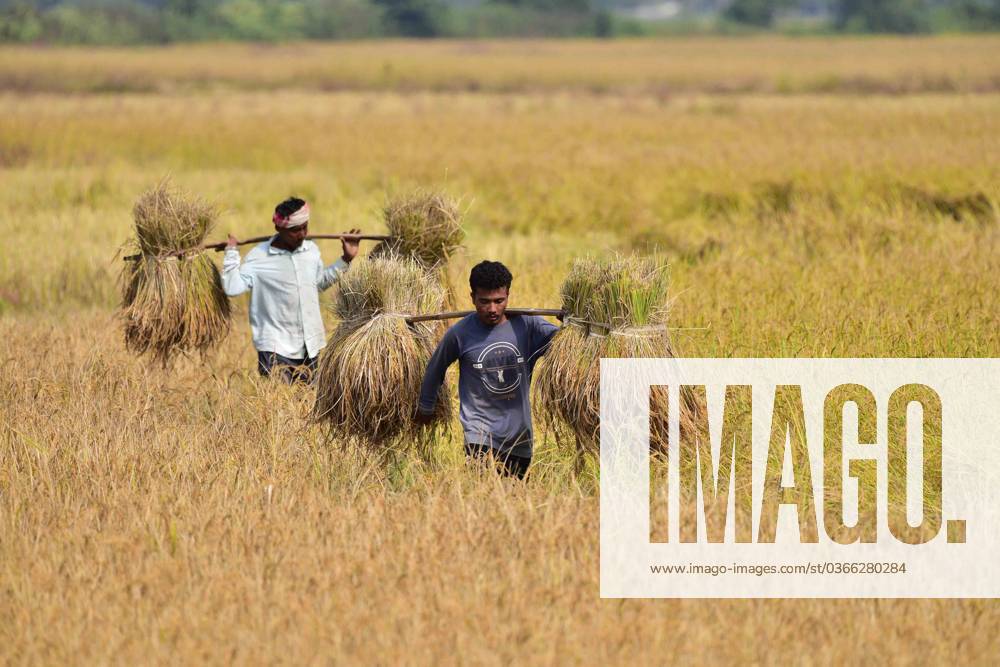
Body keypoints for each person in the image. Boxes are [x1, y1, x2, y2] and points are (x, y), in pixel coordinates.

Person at [415, 260, 560, 479]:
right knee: (483, 493)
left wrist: (570, 325)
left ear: (508, 295)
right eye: (484, 302)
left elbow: (564, 348)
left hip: (519, 435)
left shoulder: (529, 326)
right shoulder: (460, 333)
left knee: (513, 501)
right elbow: (436, 368)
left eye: (499, 301)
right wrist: (425, 407)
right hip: (478, 432)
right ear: (472, 297)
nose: (492, 309)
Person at [222, 197, 360, 382]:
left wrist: (346, 259)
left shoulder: (311, 251)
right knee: (277, 407)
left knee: (307, 405)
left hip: (310, 346)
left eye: (305, 227)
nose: (302, 234)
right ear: (279, 228)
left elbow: (317, 284)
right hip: (275, 348)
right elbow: (232, 287)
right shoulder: (259, 257)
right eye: (295, 230)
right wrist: (231, 253)